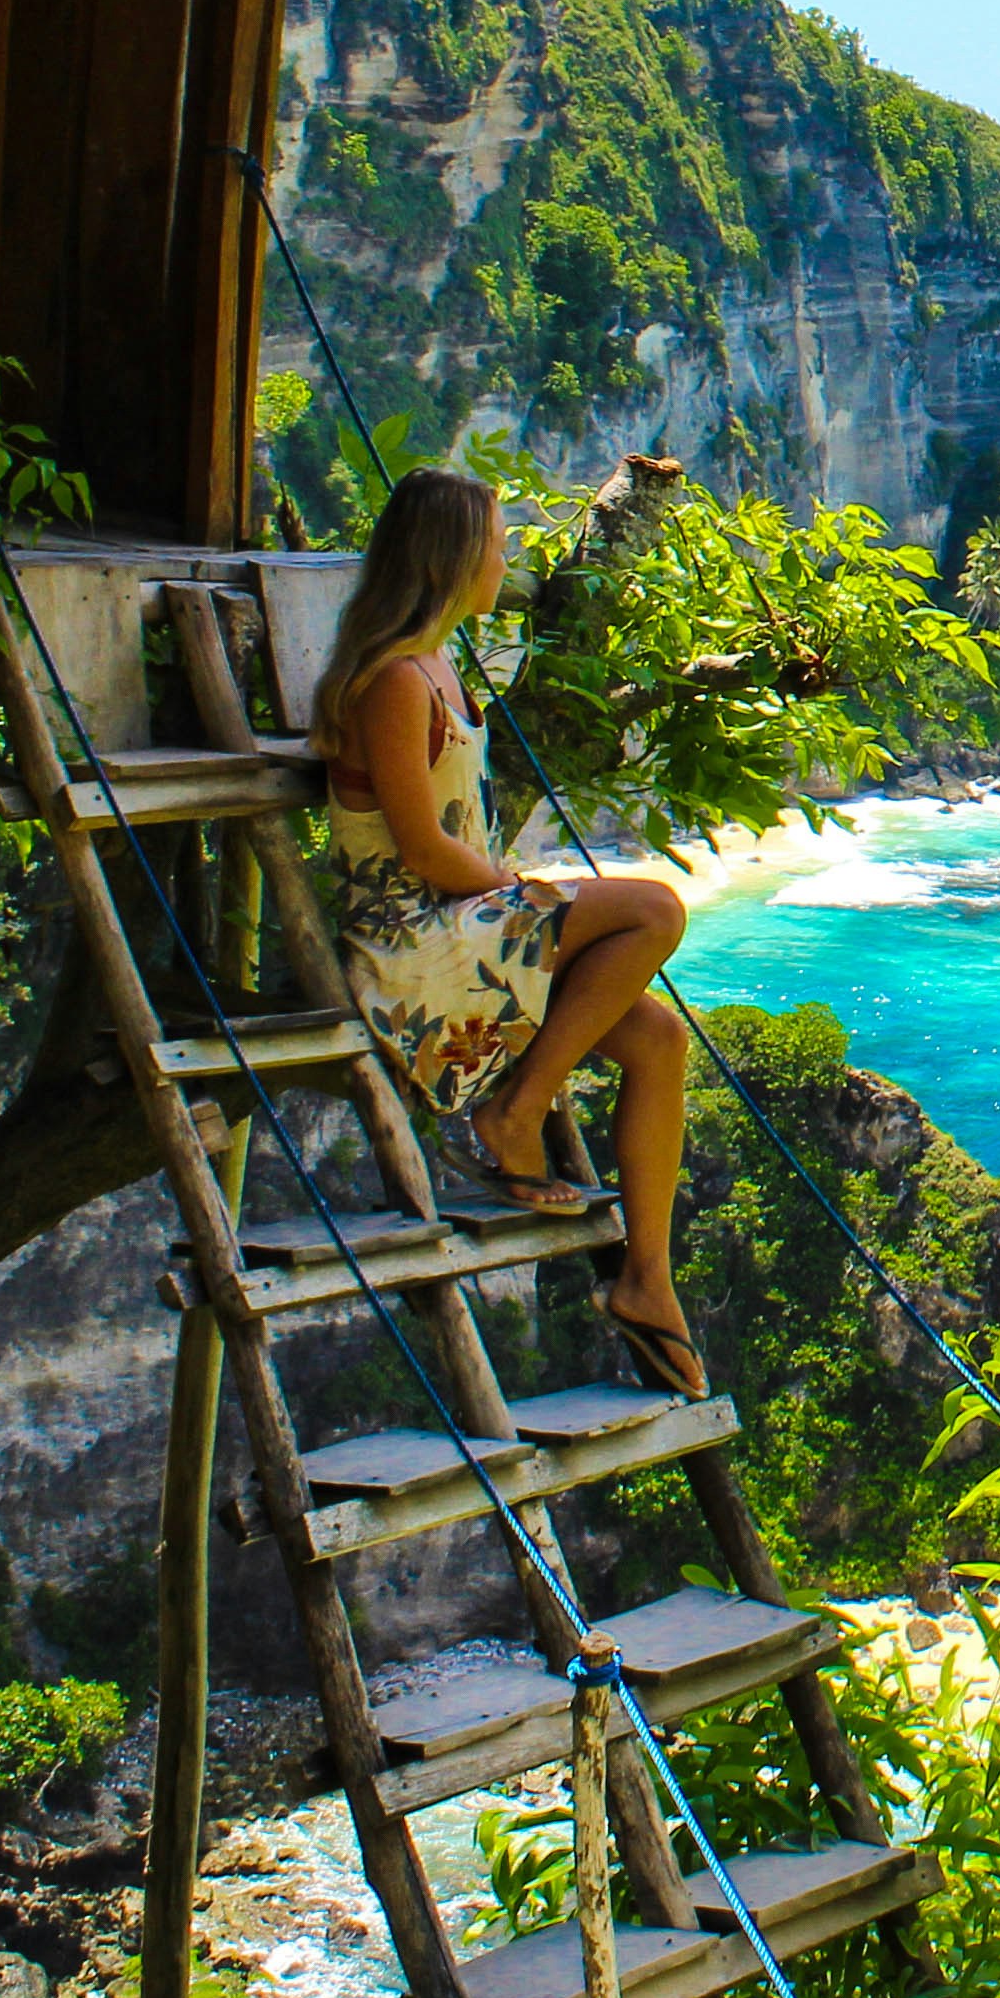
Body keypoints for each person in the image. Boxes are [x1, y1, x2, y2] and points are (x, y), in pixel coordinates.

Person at [311, 466, 704, 1396]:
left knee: (656, 1038)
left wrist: (517, 895)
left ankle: (647, 1280)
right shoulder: (397, 681)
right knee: (655, 908)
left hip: (460, 921)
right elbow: (422, 849)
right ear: (451, 559)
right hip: (411, 940)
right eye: (494, 541)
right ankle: (517, 1110)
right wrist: (518, 888)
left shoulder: (439, 664)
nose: (506, 556)